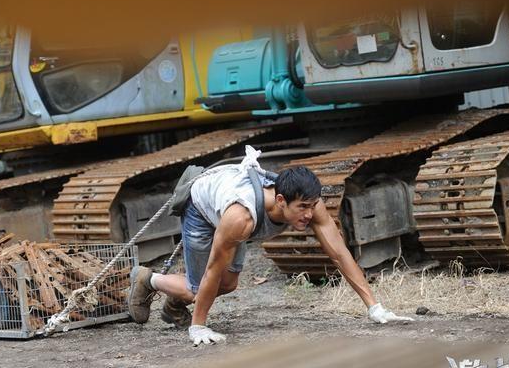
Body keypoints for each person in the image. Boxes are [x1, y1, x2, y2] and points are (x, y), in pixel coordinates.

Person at [127, 148, 413, 346]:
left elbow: (339, 252)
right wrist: (199, 326)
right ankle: (147, 279)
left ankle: (174, 304)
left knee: (227, 285)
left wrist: (375, 308)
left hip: (228, 205)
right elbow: (214, 267)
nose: (309, 215)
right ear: (280, 202)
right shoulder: (241, 218)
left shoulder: (308, 202)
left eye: (312, 207)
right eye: (302, 208)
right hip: (202, 211)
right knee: (200, 288)